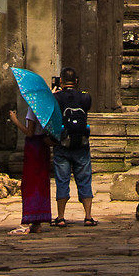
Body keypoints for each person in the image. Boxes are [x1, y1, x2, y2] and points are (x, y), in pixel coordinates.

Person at [52, 67, 96, 228]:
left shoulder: (56, 98)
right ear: (76, 81)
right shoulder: (85, 97)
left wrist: (53, 94)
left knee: (62, 180)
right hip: (82, 144)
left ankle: (61, 217)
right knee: (84, 179)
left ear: (61, 81)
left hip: (62, 144)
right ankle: (88, 216)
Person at [18, 106, 53, 234]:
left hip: (33, 147)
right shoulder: (47, 109)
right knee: (41, 182)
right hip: (43, 147)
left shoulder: (32, 108)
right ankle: (38, 221)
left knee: (31, 183)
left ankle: (30, 219)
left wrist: (15, 120)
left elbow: (30, 132)